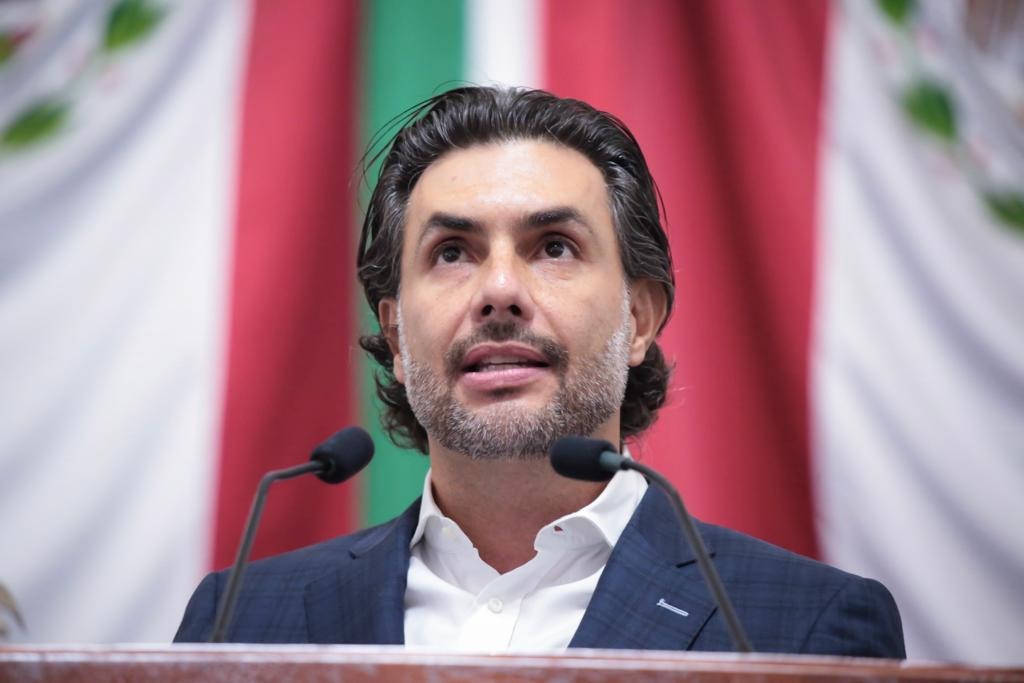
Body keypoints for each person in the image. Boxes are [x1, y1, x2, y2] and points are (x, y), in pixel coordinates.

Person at [175, 87, 905, 656]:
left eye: (554, 246)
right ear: (395, 333)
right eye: (452, 252)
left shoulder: (804, 624)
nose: (499, 291)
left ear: (639, 319)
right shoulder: (239, 619)